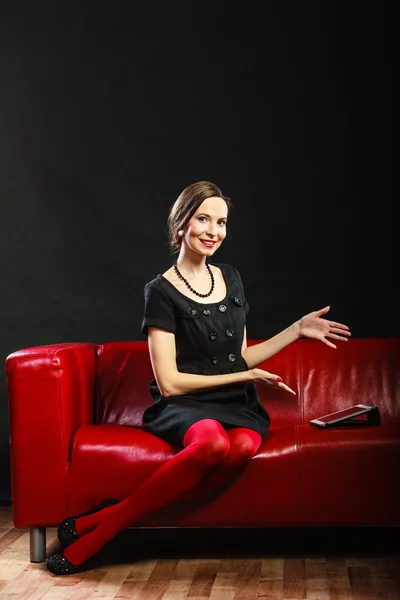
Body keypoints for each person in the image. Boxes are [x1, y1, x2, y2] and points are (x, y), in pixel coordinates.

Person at [46, 180, 351, 575]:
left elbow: (240, 357)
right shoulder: (159, 291)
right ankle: (103, 534)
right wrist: (246, 375)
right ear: (181, 224)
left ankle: (100, 517)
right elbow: (170, 383)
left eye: (221, 222)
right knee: (211, 444)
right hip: (184, 404)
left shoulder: (231, 278)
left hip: (237, 404)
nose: (213, 231)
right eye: (203, 219)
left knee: (240, 447)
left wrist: (295, 330)